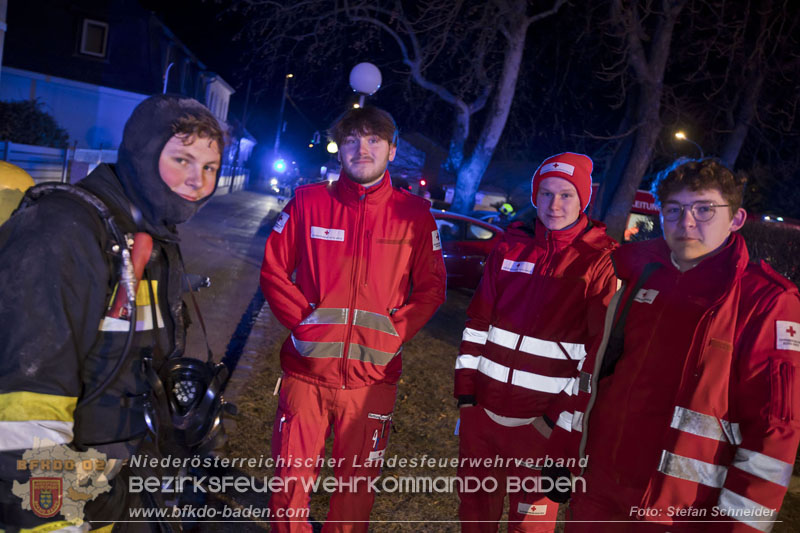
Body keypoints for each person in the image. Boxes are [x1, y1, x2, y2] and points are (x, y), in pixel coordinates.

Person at [0, 94, 224, 530]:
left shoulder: (150, 233)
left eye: (210, 167)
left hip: (116, 483)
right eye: (182, 159)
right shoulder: (64, 232)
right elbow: (28, 406)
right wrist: (54, 520)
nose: (197, 180)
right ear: (142, 153)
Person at [549, 158, 800, 532]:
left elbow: (774, 431)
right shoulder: (633, 275)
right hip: (597, 493)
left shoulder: (765, 301)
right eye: (674, 209)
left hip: (680, 515)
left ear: (736, 219)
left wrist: (740, 526)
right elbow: (593, 376)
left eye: (704, 210)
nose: (686, 222)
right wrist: (564, 456)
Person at [260, 106, 447, 532]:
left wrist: (391, 337)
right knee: (290, 485)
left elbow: (432, 289)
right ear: (339, 149)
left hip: (372, 380)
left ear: (392, 150)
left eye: (373, 140)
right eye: (351, 141)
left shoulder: (415, 215)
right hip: (306, 374)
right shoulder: (308, 202)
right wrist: (304, 326)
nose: (361, 149)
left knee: (355, 491)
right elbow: (273, 271)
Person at [454, 152, 618, 532]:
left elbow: (596, 356)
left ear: (583, 200)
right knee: (474, 518)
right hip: (483, 416)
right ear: (534, 196)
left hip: (541, 427)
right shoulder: (511, 247)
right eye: (545, 193)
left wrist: (555, 421)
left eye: (565, 195)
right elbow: (477, 323)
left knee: (529, 527)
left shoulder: (599, 262)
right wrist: (466, 395)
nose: (554, 204)